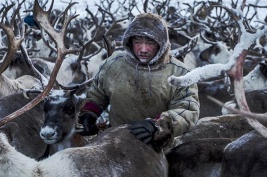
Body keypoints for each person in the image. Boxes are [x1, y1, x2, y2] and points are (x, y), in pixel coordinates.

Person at [77, 12, 200, 150]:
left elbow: (187, 110)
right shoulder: (113, 64)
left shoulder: (180, 73)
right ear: (129, 41)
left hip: (159, 147)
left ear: (162, 44)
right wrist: (89, 113)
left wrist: (158, 126)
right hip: (115, 142)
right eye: (137, 42)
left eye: (150, 42)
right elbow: (98, 94)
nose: (143, 49)